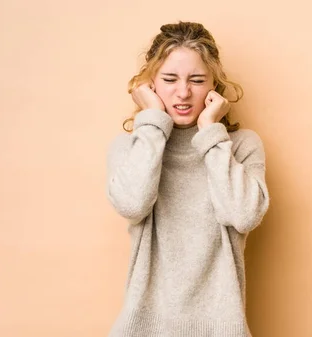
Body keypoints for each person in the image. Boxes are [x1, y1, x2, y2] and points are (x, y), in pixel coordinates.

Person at [105, 21, 270, 337]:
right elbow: (132, 204)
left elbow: (243, 215)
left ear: (214, 85)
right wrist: (152, 122)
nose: (183, 92)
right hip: (142, 328)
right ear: (150, 84)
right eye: (169, 79)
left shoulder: (240, 146)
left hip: (221, 329)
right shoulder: (130, 147)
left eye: (197, 80)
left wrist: (210, 130)